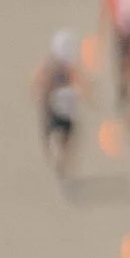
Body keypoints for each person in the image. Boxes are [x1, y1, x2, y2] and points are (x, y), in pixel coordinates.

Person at [35, 32, 84, 178]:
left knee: (53, 134)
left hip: (55, 106)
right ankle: (60, 158)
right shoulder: (59, 66)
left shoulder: (50, 64)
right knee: (67, 136)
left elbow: (37, 80)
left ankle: (57, 156)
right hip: (61, 106)